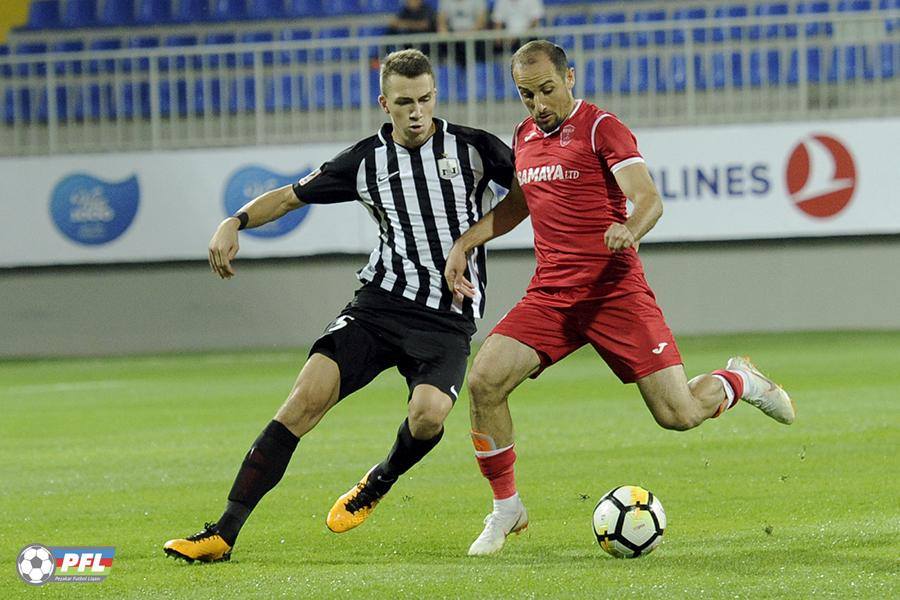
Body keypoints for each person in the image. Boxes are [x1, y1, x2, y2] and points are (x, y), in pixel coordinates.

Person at [163, 48, 519, 563]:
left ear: (435, 95)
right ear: (384, 104)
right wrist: (233, 221)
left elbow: (531, 193)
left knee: (428, 417)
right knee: (303, 401)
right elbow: (290, 196)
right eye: (404, 102)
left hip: (446, 317)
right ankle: (222, 533)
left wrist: (469, 241)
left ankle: (380, 479)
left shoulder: (474, 148)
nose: (416, 112)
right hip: (378, 307)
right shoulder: (365, 161)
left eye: (425, 99)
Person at [443, 40, 796, 557]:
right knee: (483, 381)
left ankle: (740, 380)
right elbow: (519, 204)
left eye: (546, 90)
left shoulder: (601, 127)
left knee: (678, 414)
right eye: (526, 95)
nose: (539, 104)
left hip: (614, 292)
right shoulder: (524, 135)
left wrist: (629, 229)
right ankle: (506, 508)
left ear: (570, 78)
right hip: (552, 294)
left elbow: (649, 199)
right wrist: (465, 243)